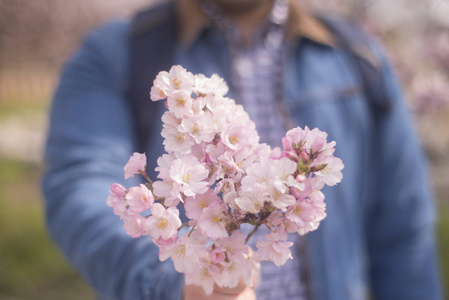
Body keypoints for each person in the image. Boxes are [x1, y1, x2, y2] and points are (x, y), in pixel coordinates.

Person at [42, 0, 443, 299]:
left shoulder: (356, 55)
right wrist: (172, 284)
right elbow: (81, 187)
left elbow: (403, 230)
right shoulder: (117, 54)